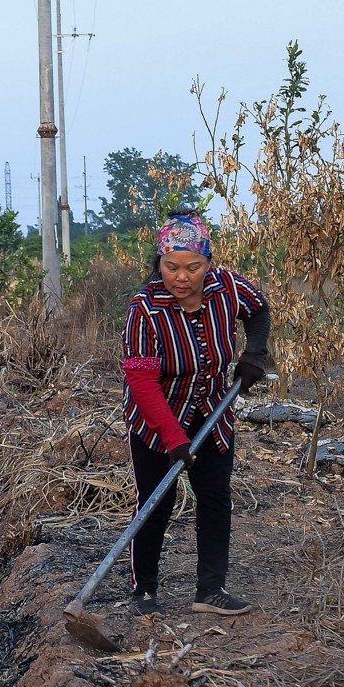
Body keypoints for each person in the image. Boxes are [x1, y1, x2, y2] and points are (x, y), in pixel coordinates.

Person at [120, 211, 271, 616]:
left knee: (215, 498)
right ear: (159, 263)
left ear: (208, 263)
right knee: (156, 500)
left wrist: (255, 352)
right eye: (171, 267)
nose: (181, 277)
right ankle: (144, 591)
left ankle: (210, 590)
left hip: (212, 410)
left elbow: (258, 309)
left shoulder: (227, 288)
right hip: (156, 418)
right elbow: (143, 384)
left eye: (193, 267)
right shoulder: (145, 310)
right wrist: (173, 438)